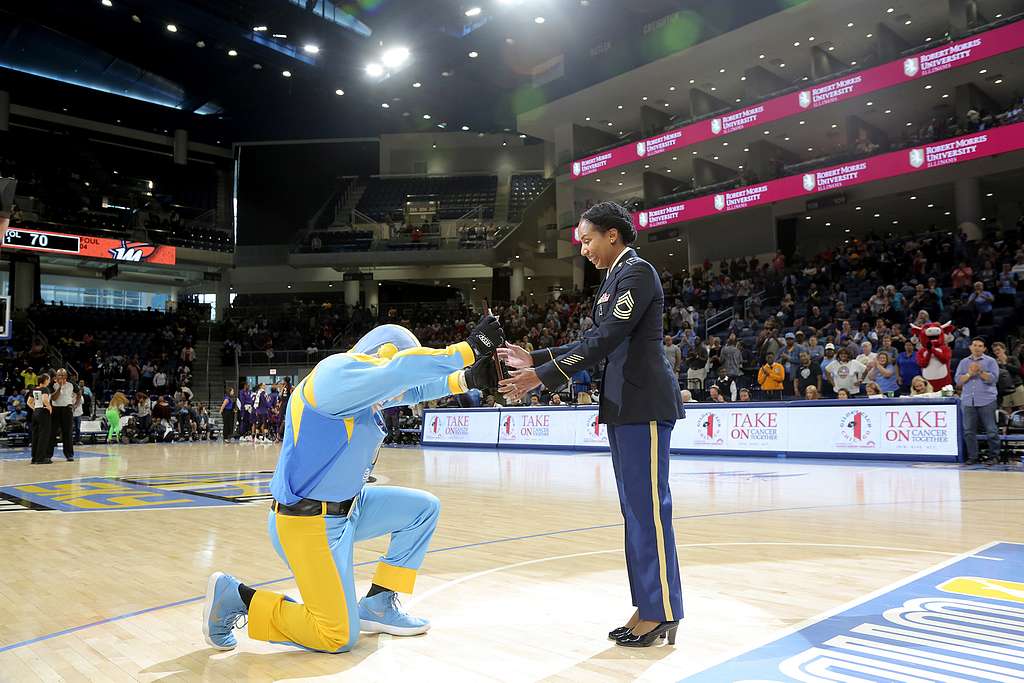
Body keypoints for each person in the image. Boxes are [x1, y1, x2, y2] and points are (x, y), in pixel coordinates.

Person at [203, 319, 504, 654]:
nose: (394, 393)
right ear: (381, 356)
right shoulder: (334, 375)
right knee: (337, 635)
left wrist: (466, 379)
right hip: (308, 525)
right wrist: (468, 350)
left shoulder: (358, 388)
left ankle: (378, 604)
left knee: (423, 509)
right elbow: (400, 373)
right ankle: (237, 597)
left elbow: (412, 388)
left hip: (347, 509)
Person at [497, 202, 684, 648]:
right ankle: (647, 606)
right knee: (635, 513)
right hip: (623, 406)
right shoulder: (613, 280)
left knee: (650, 514)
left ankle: (664, 613)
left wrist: (540, 378)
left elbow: (605, 340)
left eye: (586, 239)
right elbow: (589, 341)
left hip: (644, 404)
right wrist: (537, 357)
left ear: (612, 235)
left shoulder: (637, 273)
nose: (582, 249)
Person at [955, 337, 1000, 464]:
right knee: (969, 431)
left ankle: (994, 456)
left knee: (991, 430)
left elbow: (993, 379)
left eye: (980, 346)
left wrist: (979, 371)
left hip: (987, 399)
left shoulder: (990, 361)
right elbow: (958, 381)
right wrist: (969, 374)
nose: (977, 347)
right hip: (968, 400)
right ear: (970, 347)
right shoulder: (964, 362)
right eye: (975, 345)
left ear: (984, 348)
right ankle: (973, 457)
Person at [49, 369, 76, 461]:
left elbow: (79, 393)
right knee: (52, 432)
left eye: (62, 375)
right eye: (59, 375)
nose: (60, 377)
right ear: (56, 376)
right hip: (55, 409)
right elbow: (54, 398)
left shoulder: (71, 384)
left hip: (67, 409)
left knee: (67, 433)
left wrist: (75, 405)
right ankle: (48, 455)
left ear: (66, 376)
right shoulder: (52, 385)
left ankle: (69, 455)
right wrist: (59, 387)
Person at [27, 373, 53, 464]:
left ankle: (34, 458)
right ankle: (41, 458)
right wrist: (49, 407)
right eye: (49, 379)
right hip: (43, 413)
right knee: (44, 436)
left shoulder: (33, 389)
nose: (49, 381)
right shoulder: (45, 389)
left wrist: (35, 408)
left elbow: (29, 402)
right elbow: (45, 399)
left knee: (35, 435)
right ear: (45, 380)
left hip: (35, 413)